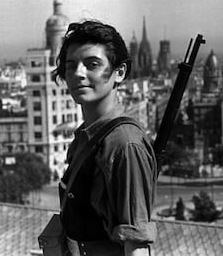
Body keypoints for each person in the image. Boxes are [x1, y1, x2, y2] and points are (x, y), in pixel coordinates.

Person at [52, 20, 157, 256]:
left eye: (92, 64)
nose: (78, 74)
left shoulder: (124, 144)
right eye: (71, 66)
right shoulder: (88, 136)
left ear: (119, 72)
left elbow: (136, 244)